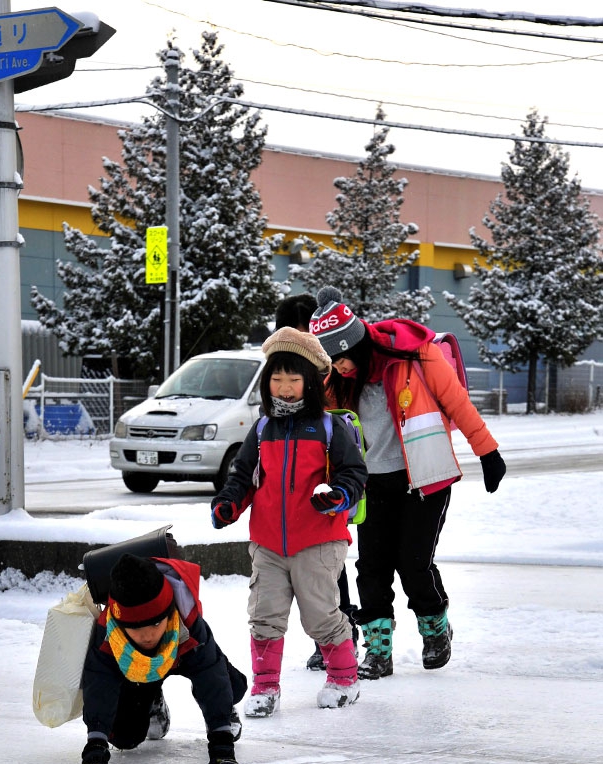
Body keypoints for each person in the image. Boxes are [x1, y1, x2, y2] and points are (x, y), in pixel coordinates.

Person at [308, 285, 507, 679]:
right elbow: (323, 432)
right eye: (331, 362)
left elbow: (456, 402)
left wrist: (487, 451)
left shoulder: (415, 352)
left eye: (342, 358)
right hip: (371, 485)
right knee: (371, 569)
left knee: (414, 564)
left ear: (358, 344)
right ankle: (378, 651)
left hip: (424, 479)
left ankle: (435, 627)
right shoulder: (337, 380)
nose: (340, 368)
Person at [210, 326, 368, 716]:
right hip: (267, 544)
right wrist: (228, 503)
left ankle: (344, 678)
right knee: (264, 615)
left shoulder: (331, 427)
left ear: (311, 381)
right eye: (276, 378)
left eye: (293, 379)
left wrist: (339, 495)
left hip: (318, 541)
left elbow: (354, 474)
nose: (283, 387)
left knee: (321, 615)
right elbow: (242, 476)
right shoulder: (263, 429)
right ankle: (265, 687)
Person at [60, 552, 252, 764]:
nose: (147, 635)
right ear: (120, 624)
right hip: (136, 670)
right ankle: (152, 699)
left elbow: (210, 675)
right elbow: (99, 684)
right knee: (124, 737)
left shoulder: (188, 622)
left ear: (169, 612)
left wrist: (222, 744)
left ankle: (224, 711)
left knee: (231, 687)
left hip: (181, 655)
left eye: (155, 623)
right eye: (135, 628)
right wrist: (95, 749)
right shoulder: (108, 634)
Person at [275, 293, 361, 671]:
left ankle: (342, 633)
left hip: (331, 478)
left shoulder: (333, 371)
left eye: (303, 336)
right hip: (290, 486)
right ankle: (329, 635)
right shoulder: (280, 373)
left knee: (329, 565)